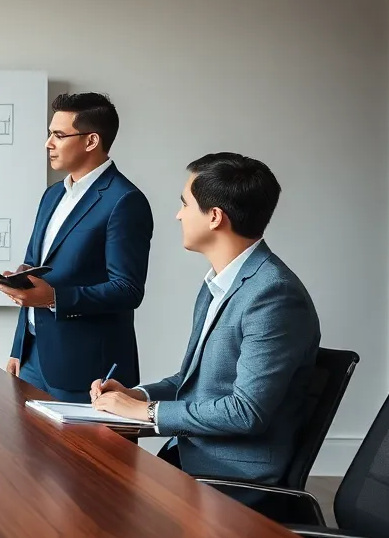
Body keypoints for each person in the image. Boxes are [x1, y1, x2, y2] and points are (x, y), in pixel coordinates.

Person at [90, 153, 321, 485]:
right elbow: (193, 381)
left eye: (185, 204)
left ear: (214, 217)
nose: (178, 214)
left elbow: (246, 412)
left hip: (232, 478)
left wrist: (147, 412)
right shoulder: (220, 282)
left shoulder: (274, 296)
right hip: (191, 456)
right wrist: (135, 396)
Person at [0, 92, 153, 402]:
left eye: (59, 135)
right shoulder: (53, 195)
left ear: (91, 141)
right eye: (49, 134)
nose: (48, 143)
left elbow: (128, 289)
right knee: (27, 452)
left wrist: (54, 297)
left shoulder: (124, 201)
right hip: (33, 361)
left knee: (86, 453)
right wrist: (19, 349)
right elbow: (33, 268)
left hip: (87, 371)